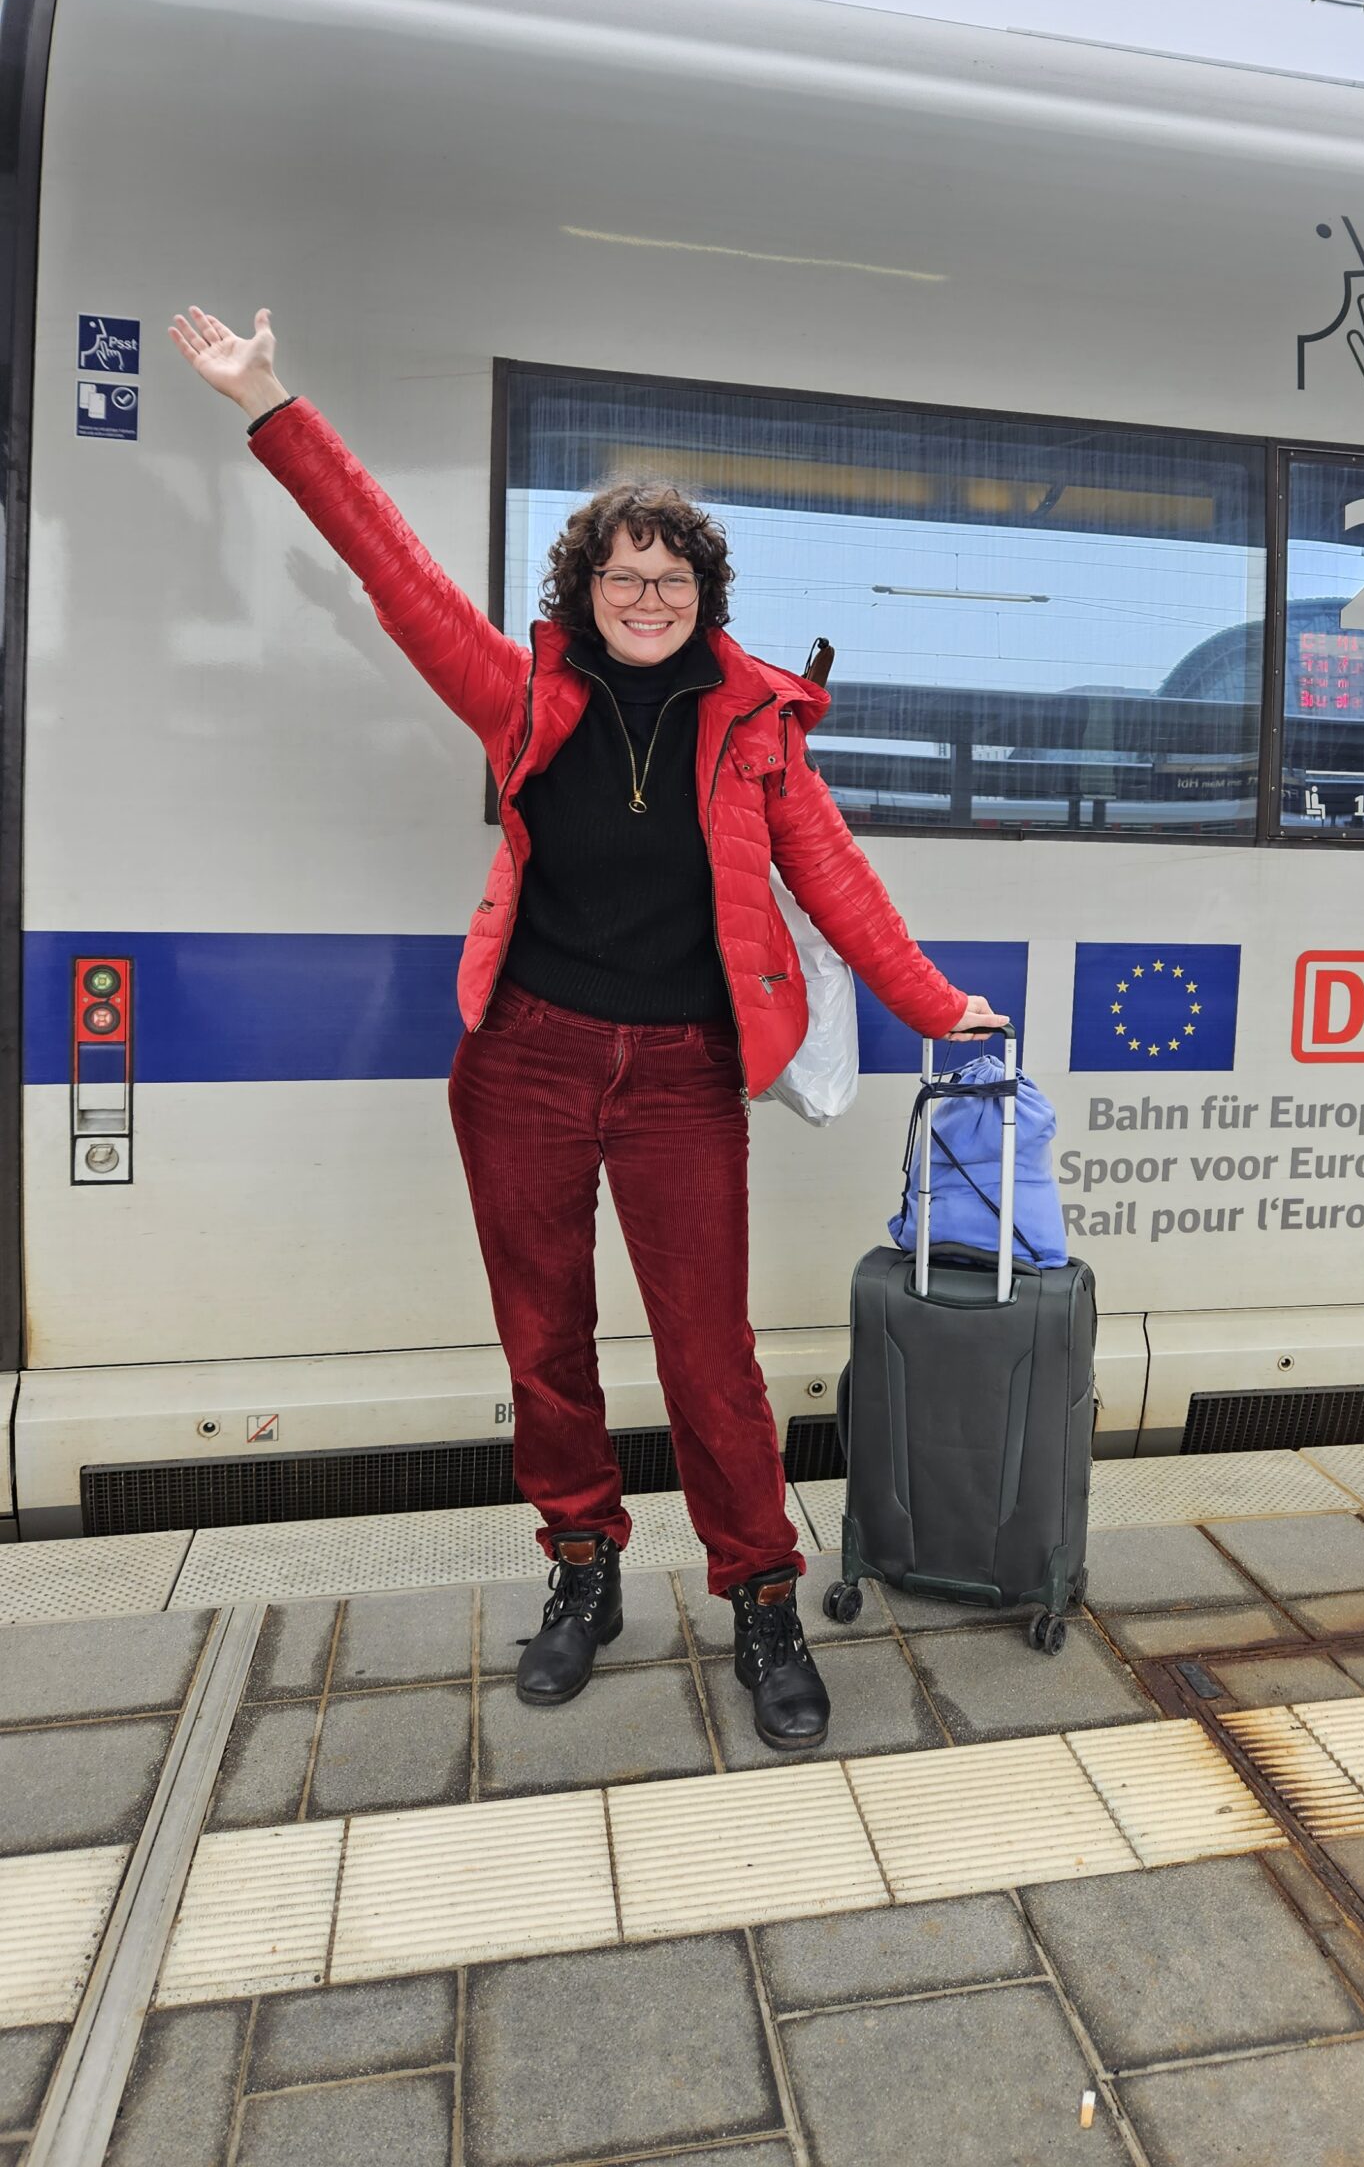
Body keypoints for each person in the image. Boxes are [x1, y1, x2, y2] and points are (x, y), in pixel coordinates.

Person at [168, 307, 1006, 1749]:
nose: (647, 596)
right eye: (623, 574)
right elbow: (390, 568)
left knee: (708, 1355)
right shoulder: (518, 699)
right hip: (527, 1063)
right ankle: (581, 1571)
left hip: (682, 1075)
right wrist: (272, 401)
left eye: (670, 576)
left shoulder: (756, 730)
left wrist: (935, 1004)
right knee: (545, 1345)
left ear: (704, 591)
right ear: (585, 584)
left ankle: (757, 1596)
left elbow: (838, 881)